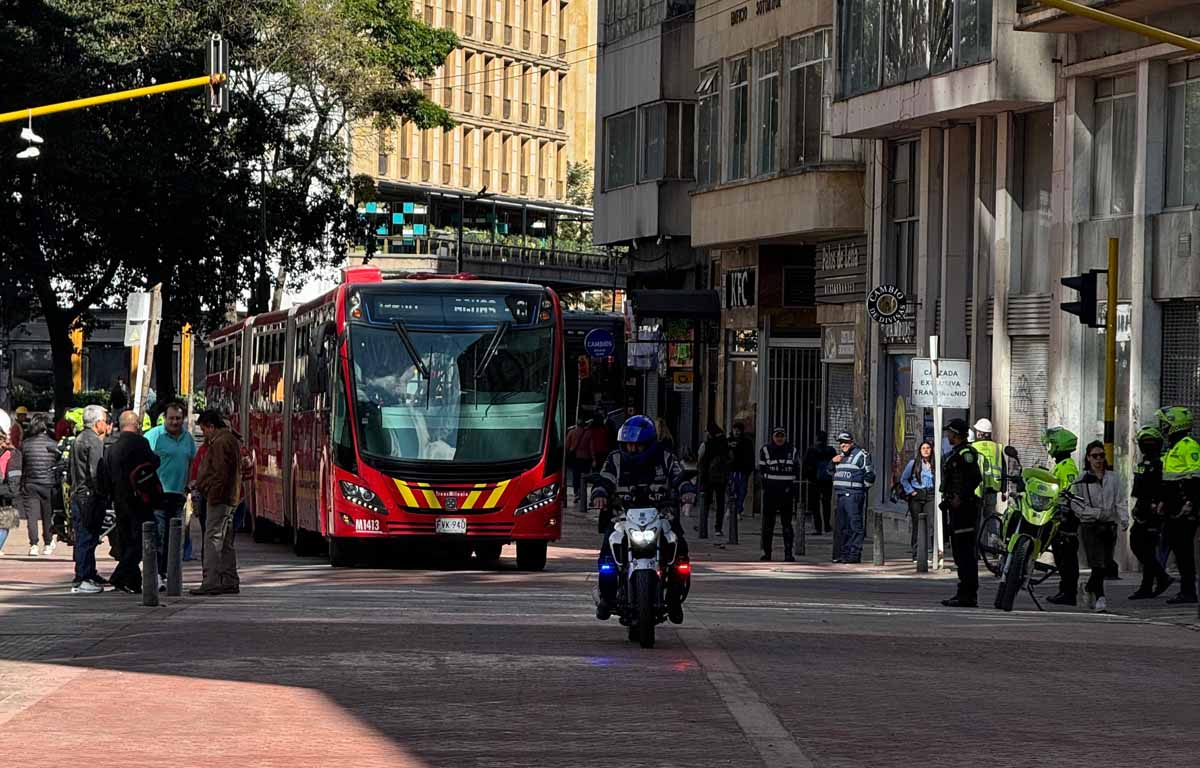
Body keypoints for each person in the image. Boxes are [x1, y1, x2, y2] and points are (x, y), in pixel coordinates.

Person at [590, 415, 696, 623]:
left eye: (637, 446)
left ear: (648, 444)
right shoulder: (615, 459)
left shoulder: (665, 457)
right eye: (628, 445)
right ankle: (607, 597)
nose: (632, 450)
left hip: (661, 515)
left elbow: (678, 475)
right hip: (622, 516)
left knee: (679, 552)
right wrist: (600, 493)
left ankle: (674, 599)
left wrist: (686, 490)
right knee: (607, 556)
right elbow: (605, 479)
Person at [101, 410, 161, 593]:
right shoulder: (141, 443)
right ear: (137, 425)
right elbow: (154, 462)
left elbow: (105, 475)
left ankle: (133, 581)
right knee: (145, 539)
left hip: (119, 500)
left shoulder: (111, 447)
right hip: (140, 498)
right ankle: (120, 575)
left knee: (127, 540)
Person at [145, 402, 197, 589]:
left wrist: (190, 483)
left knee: (174, 537)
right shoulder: (154, 436)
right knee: (158, 534)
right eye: (171, 418)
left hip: (178, 495)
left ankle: (169, 574)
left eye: (178, 418)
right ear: (164, 418)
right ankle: (156, 573)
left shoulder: (187, 438)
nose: (175, 422)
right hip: (158, 494)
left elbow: (192, 461)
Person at [1071, 440, 1126, 613]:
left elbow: (1120, 500)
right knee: (1098, 564)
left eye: (1102, 455)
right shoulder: (1081, 479)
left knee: (1107, 562)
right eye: (1095, 456)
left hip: (1109, 525)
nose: (1099, 459)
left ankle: (1088, 588)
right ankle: (1101, 598)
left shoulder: (1114, 478)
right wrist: (1094, 513)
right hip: (1090, 526)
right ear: (1088, 458)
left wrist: (1124, 519)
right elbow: (1076, 504)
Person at [191, 410, 242, 596]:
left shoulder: (220, 443)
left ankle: (211, 581)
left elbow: (219, 473)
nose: (203, 434)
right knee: (225, 540)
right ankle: (229, 579)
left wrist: (208, 491)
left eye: (204, 429)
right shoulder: (229, 440)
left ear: (211, 427)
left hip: (219, 498)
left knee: (212, 538)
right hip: (227, 497)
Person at [1157, 406, 1200, 604]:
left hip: (1184, 509)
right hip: (1173, 508)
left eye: (1166, 423)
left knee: (1184, 551)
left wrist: (1189, 503)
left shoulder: (1189, 446)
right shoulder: (1173, 447)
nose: (1163, 427)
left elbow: (1195, 479)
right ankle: (1186, 590)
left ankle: (1188, 591)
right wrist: (1163, 502)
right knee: (1178, 549)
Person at [940, 419, 983, 607]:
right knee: (959, 552)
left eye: (949, 433)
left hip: (964, 509)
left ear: (956, 434)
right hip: (955, 508)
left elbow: (975, 478)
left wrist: (960, 497)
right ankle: (963, 592)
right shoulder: (956, 453)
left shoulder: (966, 454)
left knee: (965, 553)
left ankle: (968, 594)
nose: (947, 436)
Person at [1128, 425, 1173, 599]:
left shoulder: (1161, 464)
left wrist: (1158, 503)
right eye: (1144, 442)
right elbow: (1138, 489)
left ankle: (1157, 580)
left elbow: (1165, 487)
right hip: (1142, 509)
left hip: (1154, 512)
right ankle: (1154, 582)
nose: (1147, 445)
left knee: (1144, 547)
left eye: (1151, 442)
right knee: (1139, 546)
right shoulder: (1141, 465)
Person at [68, 405, 110, 594]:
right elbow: (95, 471)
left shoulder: (79, 439)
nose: (107, 424)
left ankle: (89, 572)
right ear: (98, 422)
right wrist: (102, 492)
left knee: (86, 536)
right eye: (105, 420)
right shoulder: (94, 441)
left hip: (79, 493)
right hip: (89, 495)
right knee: (87, 536)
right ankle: (83, 576)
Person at [1043, 426, 1082, 606]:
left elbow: (1068, 492)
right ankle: (1064, 590)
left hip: (1066, 518)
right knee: (1061, 556)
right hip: (1060, 516)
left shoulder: (1067, 467)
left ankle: (1068, 592)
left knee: (1066, 556)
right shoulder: (1061, 466)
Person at [16, 413, 58, 556]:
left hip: (30, 483)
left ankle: (33, 545)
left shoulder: (25, 444)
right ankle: (47, 543)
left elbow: (22, 465)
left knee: (32, 516)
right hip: (48, 484)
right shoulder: (53, 444)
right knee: (47, 514)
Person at [831, 431, 874, 564]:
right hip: (841, 496)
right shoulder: (840, 457)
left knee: (854, 526)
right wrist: (832, 462)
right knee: (842, 527)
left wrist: (861, 490)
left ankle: (854, 554)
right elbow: (829, 472)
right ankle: (843, 554)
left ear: (852, 442)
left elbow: (870, 476)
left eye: (846, 442)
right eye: (841, 443)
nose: (843, 445)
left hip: (854, 495)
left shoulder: (861, 455)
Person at [759, 427, 800, 562]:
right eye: (777, 436)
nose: (779, 439)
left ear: (785, 437)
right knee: (767, 525)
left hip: (786, 494)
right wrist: (765, 488)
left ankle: (788, 553)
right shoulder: (765, 450)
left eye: (782, 436)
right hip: (770, 493)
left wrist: (793, 490)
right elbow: (762, 471)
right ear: (773, 437)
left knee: (787, 524)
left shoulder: (792, 451)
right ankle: (767, 553)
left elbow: (797, 471)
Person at [901, 440, 936, 562]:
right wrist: (911, 491)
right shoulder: (913, 463)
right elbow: (904, 479)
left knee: (930, 525)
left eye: (928, 448)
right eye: (923, 448)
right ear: (920, 451)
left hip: (930, 495)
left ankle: (929, 552)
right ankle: (916, 553)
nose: (926, 450)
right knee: (917, 524)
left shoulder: (935, 464)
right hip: (916, 495)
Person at [697, 423, 731, 538]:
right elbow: (730, 459)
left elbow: (700, 461)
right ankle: (718, 528)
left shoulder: (706, 445)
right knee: (720, 503)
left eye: (707, 431)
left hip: (708, 478)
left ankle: (703, 526)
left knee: (705, 503)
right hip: (721, 478)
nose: (706, 433)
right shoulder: (725, 443)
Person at [802, 430, 836, 535]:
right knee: (826, 504)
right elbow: (835, 465)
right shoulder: (831, 450)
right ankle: (827, 525)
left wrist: (806, 477)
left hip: (814, 482)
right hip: (827, 482)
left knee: (815, 506)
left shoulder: (811, 450)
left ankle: (818, 527)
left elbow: (805, 465)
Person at [971, 419, 1004, 523]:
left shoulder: (973, 447)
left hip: (977, 488)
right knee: (990, 517)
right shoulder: (997, 448)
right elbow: (1004, 468)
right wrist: (1004, 489)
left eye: (977, 431)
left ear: (980, 433)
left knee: (977, 519)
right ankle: (992, 538)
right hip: (993, 488)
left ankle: (979, 539)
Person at [728, 422, 756, 524]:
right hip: (731, 470)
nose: (736, 431)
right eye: (735, 429)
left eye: (738, 429)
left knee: (742, 491)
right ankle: (731, 509)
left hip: (743, 471)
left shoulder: (747, 442)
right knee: (732, 490)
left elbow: (750, 456)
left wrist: (749, 469)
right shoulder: (728, 441)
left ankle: (738, 510)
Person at [0, 431, 19, 555]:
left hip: (4, 494)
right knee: (4, 524)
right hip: (4, 495)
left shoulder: (10, 455)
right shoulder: (11, 455)